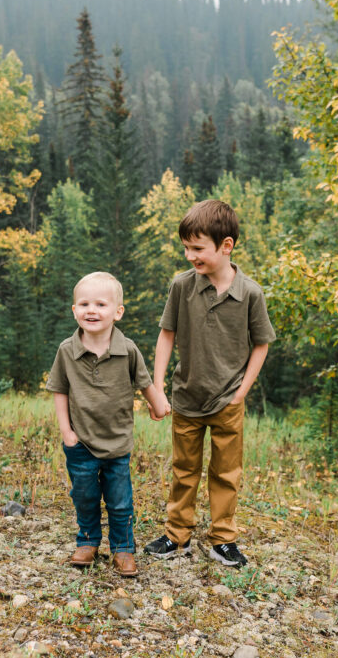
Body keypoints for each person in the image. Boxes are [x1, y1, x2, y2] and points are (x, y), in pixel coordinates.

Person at [143, 200, 275, 567]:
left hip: (228, 401)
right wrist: (156, 387)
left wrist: (242, 392)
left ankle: (223, 540)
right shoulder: (182, 286)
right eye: (186, 247)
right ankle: (176, 536)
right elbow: (166, 335)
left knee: (226, 473)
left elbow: (261, 344)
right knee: (184, 470)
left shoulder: (250, 293)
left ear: (226, 245)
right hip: (186, 397)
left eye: (197, 248)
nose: (189, 255)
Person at [47, 271, 166, 577]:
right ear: (74, 310)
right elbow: (60, 390)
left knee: (119, 500)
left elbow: (145, 383)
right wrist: (67, 432)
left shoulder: (128, 350)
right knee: (84, 496)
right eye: (84, 304)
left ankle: (123, 549)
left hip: (116, 442)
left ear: (117, 312)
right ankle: (87, 541)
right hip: (81, 442)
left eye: (101, 304)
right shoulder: (66, 351)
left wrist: (158, 405)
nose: (92, 310)